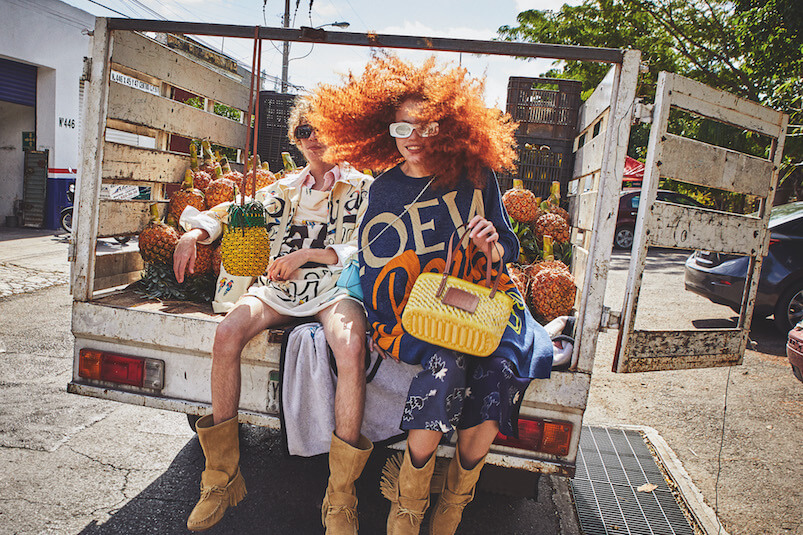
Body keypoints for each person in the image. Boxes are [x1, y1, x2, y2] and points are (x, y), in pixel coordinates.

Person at [308, 56, 554, 535]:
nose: (414, 137)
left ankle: (453, 506)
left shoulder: (476, 175)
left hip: (480, 300)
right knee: (446, 365)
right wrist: (389, 317)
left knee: (504, 370)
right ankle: (409, 506)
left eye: (427, 126)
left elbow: (508, 247)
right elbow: (374, 265)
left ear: (449, 127)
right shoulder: (384, 190)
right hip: (418, 311)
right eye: (402, 127)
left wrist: (491, 247)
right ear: (386, 132)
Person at [173, 96, 374, 534]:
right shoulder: (283, 190)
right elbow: (233, 210)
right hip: (279, 290)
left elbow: (371, 243)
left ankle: (341, 496)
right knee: (227, 333)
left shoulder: (364, 188)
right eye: (304, 131)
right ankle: (220, 477)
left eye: (323, 129)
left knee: (350, 346)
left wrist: (307, 255)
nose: (314, 139)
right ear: (296, 139)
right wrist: (194, 232)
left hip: (335, 289)